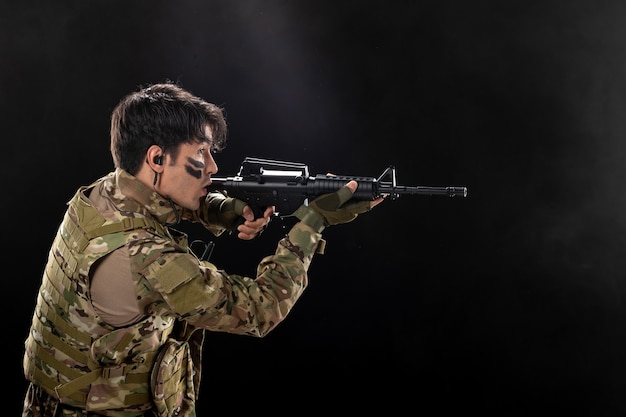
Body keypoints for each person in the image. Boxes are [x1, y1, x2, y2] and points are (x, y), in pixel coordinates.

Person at [22, 81, 384, 417]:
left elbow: (166, 200)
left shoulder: (102, 194)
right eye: (201, 153)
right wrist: (311, 224)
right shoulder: (147, 258)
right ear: (157, 159)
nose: (212, 167)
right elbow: (261, 309)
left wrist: (228, 210)